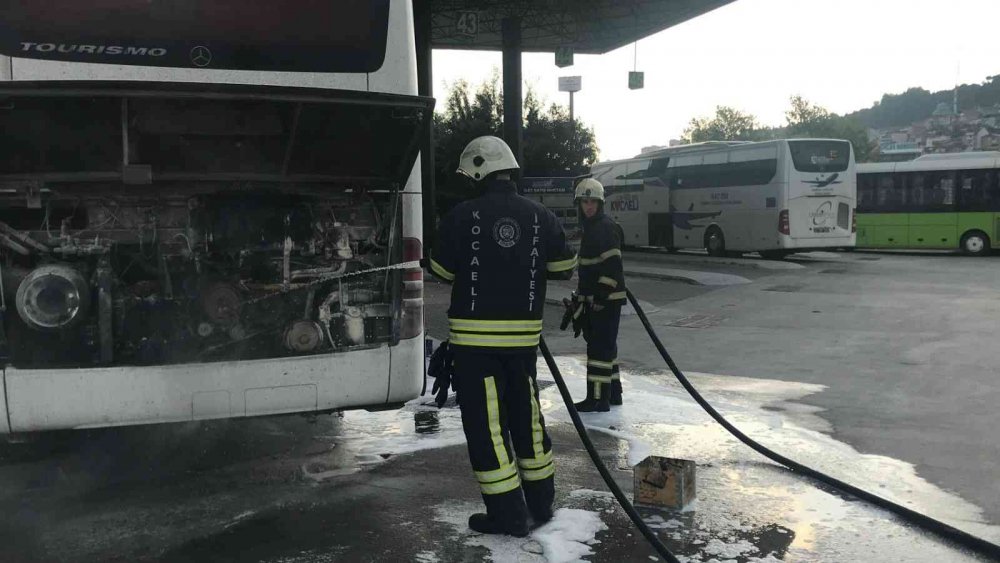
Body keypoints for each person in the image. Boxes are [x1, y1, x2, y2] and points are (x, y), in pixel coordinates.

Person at [429, 136, 577, 537]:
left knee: (487, 426)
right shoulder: (540, 215)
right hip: (523, 343)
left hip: (476, 345)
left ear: (479, 168)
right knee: (527, 417)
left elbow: (440, 272)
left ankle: (507, 514)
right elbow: (564, 265)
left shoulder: (462, 215)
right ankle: (541, 503)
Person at [570, 178, 626, 413]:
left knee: (598, 352)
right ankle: (613, 394)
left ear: (600, 203)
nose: (589, 206)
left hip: (604, 301)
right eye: (585, 202)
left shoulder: (603, 227)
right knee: (607, 348)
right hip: (600, 300)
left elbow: (612, 266)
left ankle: (597, 399)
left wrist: (601, 297)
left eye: (593, 201)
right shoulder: (595, 227)